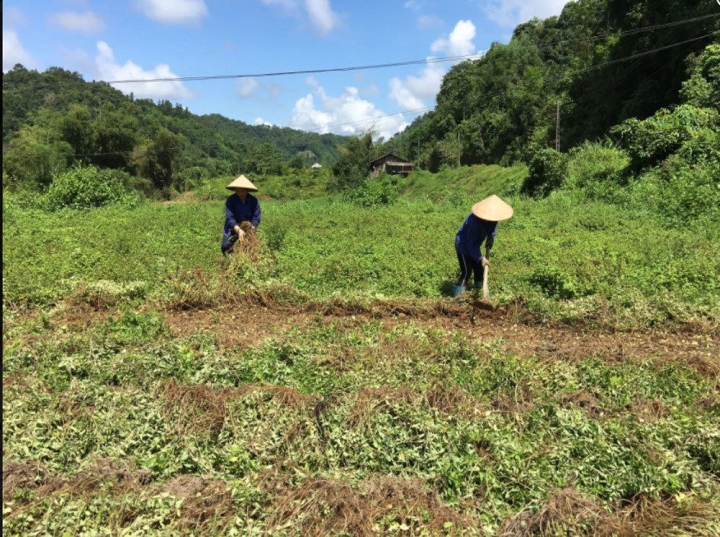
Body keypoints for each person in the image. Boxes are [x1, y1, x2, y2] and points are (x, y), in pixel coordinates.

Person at [453, 194, 514, 298]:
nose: (492, 219)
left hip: (475, 245)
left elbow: (493, 228)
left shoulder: (493, 218)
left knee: (478, 269)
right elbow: (470, 244)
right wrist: (481, 258)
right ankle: (458, 298)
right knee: (467, 272)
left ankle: (480, 293)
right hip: (463, 246)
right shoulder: (474, 222)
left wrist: (491, 237)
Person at [221, 174, 261, 255]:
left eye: (242, 190)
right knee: (225, 247)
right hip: (232, 228)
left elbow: (256, 217)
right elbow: (230, 218)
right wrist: (238, 230)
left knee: (249, 248)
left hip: (248, 229)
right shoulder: (231, 200)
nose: (240, 193)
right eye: (237, 190)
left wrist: (252, 229)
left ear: (247, 190)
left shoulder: (253, 201)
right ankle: (229, 261)